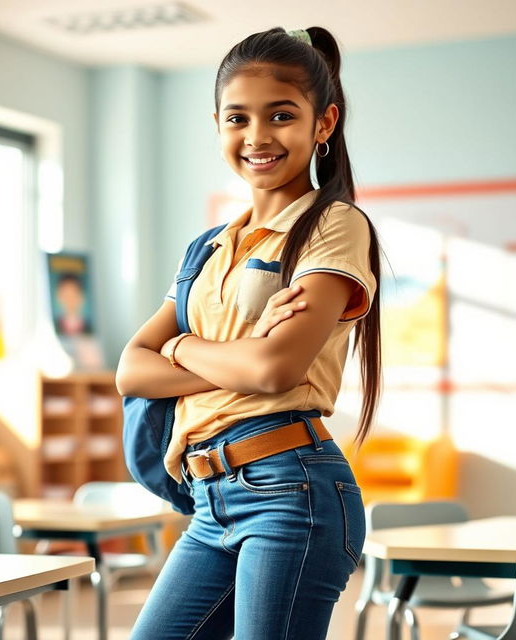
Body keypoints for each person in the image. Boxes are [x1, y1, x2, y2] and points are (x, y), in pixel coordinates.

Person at [116, 25, 383, 640]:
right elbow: (131, 368)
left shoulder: (333, 225)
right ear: (218, 125)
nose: (257, 136)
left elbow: (274, 371)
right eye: (238, 118)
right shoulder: (208, 249)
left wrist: (180, 346)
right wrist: (236, 352)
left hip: (293, 492)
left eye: (281, 116)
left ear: (324, 123)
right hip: (208, 499)